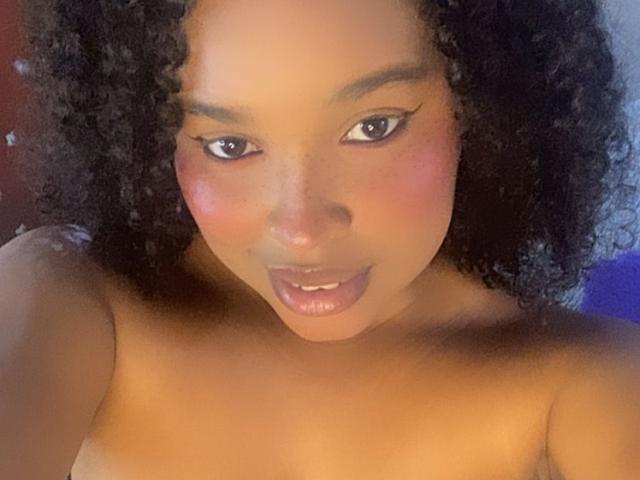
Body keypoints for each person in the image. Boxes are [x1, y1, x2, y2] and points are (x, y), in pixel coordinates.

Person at [3, 0, 640, 478]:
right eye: (229, 145)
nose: (301, 229)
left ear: (486, 105)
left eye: (373, 127)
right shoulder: (72, 301)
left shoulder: (588, 383)